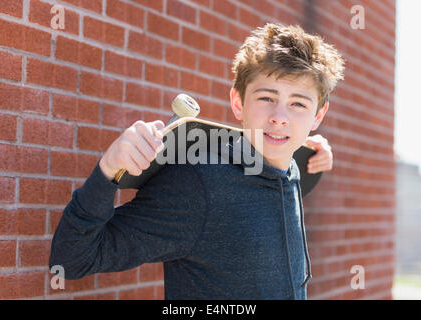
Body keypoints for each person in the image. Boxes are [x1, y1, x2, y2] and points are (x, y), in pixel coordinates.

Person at [49, 23, 345, 300]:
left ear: (318, 116)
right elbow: (72, 260)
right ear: (238, 103)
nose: (279, 117)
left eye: (298, 104)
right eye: (266, 98)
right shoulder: (198, 183)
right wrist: (107, 172)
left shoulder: (291, 169)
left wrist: (309, 151)